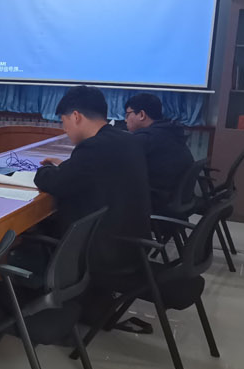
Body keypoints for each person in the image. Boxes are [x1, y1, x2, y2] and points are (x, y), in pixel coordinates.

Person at [32, 86, 152, 321]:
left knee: (33, 231)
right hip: (132, 242)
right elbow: (89, 173)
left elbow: (56, 183)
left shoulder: (93, 147)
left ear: (76, 116)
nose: (65, 129)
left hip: (106, 250)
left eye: (64, 121)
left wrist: (43, 170)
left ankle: (39, 297)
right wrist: (65, 166)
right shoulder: (124, 139)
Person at [125, 93, 194, 215]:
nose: (125, 120)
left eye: (127, 114)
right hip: (174, 199)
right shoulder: (170, 132)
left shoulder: (146, 139)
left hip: (157, 202)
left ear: (141, 114)